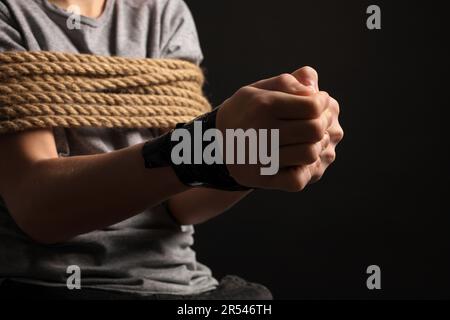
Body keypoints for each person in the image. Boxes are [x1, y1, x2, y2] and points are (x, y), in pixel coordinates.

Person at [0, 0, 343, 299]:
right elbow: (40, 208)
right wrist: (206, 144)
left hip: (185, 287)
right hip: (51, 285)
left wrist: (258, 153)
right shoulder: (10, 13)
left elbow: (182, 204)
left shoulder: (164, 12)